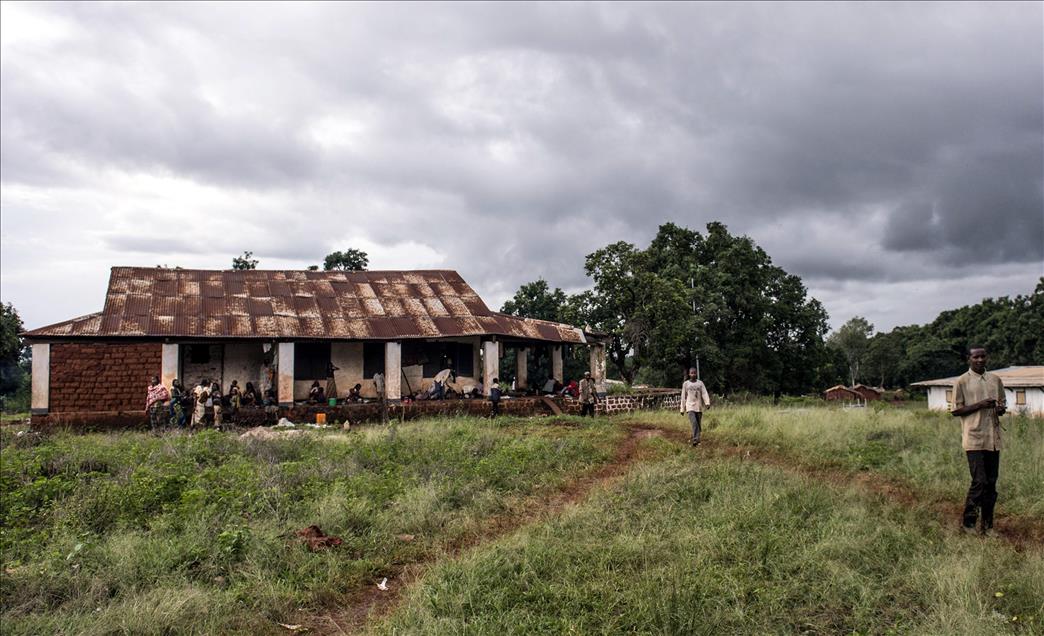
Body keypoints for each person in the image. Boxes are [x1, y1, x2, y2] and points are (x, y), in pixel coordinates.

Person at [951, 346, 1007, 536]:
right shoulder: (961, 381)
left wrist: (1000, 409)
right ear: (969, 359)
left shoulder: (995, 379)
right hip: (974, 438)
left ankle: (988, 526)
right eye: (976, 356)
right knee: (980, 481)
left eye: (983, 356)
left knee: (991, 483)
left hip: (993, 438)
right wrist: (980, 405)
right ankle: (968, 524)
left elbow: (1002, 404)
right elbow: (956, 411)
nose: (980, 359)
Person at [680, 367, 711, 446]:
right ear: (689, 374)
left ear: (696, 373)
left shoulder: (700, 383)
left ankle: (696, 437)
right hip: (690, 406)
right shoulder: (686, 384)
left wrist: (707, 403)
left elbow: (704, 393)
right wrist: (682, 409)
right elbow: (683, 396)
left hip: (698, 406)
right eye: (691, 373)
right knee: (694, 422)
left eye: (694, 373)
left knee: (698, 423)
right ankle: (695, 440)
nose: (693, 374)